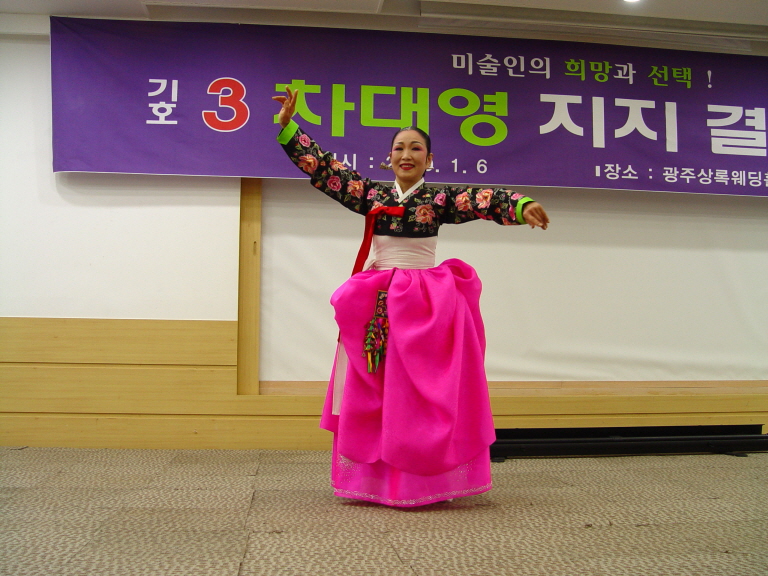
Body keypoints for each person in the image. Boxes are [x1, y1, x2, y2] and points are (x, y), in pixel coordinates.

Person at [273, 87, 549, 507]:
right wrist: (289, 127)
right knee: (377, 388)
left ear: (429, 159)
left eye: (416, 148)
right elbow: (327, 170)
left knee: (420, 391)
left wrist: (519, 204)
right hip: (379, 301)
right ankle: (377, 481)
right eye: (399, 147)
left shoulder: (438, 199)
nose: (407, 154)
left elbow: (481, 199)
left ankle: (425, 480)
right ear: (389, 157)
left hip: (424, 304)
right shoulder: (371, 195)